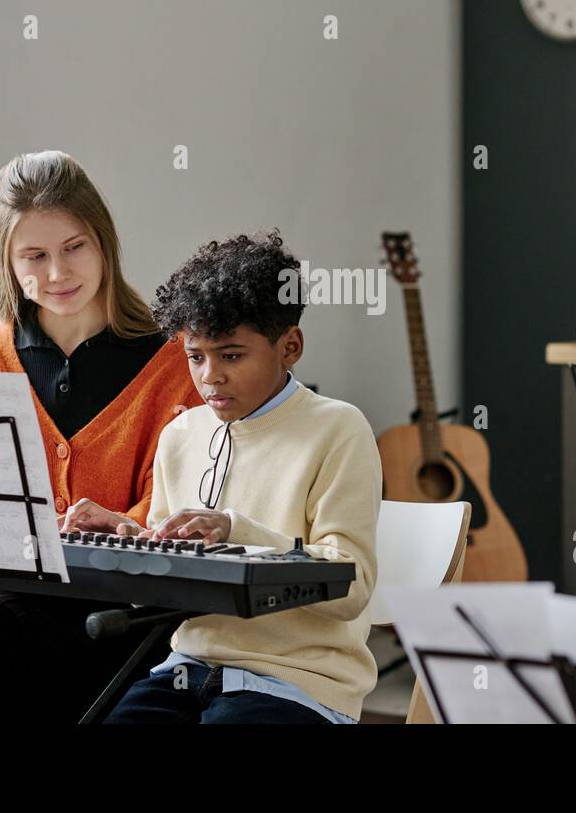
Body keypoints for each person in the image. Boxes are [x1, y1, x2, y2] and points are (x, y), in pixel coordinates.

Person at [0, 150, 199, 723]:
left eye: (74, 247)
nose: (57, 274)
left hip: (117, 623)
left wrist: (113, 524)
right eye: (34, 256)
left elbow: (179, 513)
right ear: (6, 262)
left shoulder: (177, 361)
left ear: (104, 240)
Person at [104, 230, 381, 724]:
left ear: (290, 346)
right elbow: (168, 590)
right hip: (186, 669)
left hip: (298, 683)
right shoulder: (180, 434)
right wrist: (127, 541)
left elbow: (352, 586)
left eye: (231, 355)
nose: (210, 375)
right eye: (195, 356)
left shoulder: (338, 429)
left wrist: (237, 531)